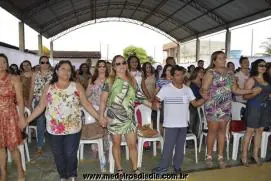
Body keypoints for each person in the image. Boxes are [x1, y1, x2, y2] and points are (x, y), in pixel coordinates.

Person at [21, 60, 100, 181]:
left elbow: (87, 104)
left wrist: (99, 118)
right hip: (54, 129)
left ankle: (72, 174)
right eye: (63, 68)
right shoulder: (49, 87)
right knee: (58, 154)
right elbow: (41, 106)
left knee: (70, 153)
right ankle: (63, 175)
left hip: (73, 127)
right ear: (56, 71)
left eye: (69, 69)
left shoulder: (76, 86)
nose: (66, 71)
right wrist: (27, 120)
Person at [99, 55, 155, 174]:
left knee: (132, 145)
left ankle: (136, 169)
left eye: (123, 63)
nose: (121, 66)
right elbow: (103, 100)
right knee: (116, 144)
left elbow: (140, 97)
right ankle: (119, 170)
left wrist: (152, 105)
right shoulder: (110, 81)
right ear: (114, 67)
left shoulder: (132, 80)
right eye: (118, 64)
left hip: (130, 118)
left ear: (126, 64)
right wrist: (101, 116)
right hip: (114, 118)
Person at [200, 51, 254, 168]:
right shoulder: (210, 73)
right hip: (213, 106)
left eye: (224, 58)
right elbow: (203, 89)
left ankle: (220, 156)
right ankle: (209, 156)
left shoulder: (230, 73)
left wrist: (249, 91)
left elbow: (235, 89)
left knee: (222, 132)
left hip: (226, 105)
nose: (223, 60)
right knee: (212, 131)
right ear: (214, 61)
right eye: (220, 58)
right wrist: (204, 94)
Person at [152, 65, 207, 175]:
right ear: (172, 77)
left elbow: (195, 104)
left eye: (182, 74)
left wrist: (205, 98)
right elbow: (156, 99)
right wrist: (156, 104)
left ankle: (177, 166)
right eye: (177, 75)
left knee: (180, 148)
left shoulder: (187, 90)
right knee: (168, 147)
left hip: (183, 124)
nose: (180, 77)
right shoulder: (166, 88)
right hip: (170, 124)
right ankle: (163, 167)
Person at [0, 54, 26, 181]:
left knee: (12, 147)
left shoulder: (14, 79)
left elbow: (20, 100)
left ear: (7, 64)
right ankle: (3, 173)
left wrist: (22, 118)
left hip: (10, 116)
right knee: (0, 147)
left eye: (4, 62)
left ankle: (20, 171)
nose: (1, 64)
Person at [241, 59, 271, 166]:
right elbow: (245, 96)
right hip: (254, 107)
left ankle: (255, 155)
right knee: (250, 131)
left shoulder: (267, 80)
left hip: (265, 108)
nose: (263, 67)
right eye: (260, 65)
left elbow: (268, 93)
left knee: (260, 131)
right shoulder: (252, 80)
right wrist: (254, 94)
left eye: (264, 65)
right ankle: (244, 156)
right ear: (256, 67)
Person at [85, 60, 109, 162]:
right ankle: (95, 149)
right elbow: (86, 96)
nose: (102, 68)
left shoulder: (110, 79)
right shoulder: (92, 79)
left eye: (104, 66)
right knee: (95, 128)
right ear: (97, 68)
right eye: (100, 66)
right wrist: (89, 90)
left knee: (107, 129)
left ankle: (107, 149)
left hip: (107, 108)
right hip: (94, 108)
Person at [28, 56, 53, 155]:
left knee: (52, 123)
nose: (45, 64)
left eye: (47, 62)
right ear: (39, 63)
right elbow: (31, 89)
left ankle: (55, 144)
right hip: (39, 101)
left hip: (51, 101)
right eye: (43, 62)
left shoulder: (53, 74)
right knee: (40, 123)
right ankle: (39, 146)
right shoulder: (35, 74)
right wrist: (30, 103)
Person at [188, 67, 205, 136]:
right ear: (196, 73)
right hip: (192, 103)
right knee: (191, 122)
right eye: (201, 72)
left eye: (203, 72)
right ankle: (190, 137)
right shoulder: (190, 82)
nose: (203, 73)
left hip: (201, 103)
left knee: (199, 121)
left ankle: (196, 136)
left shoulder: (203, 82)